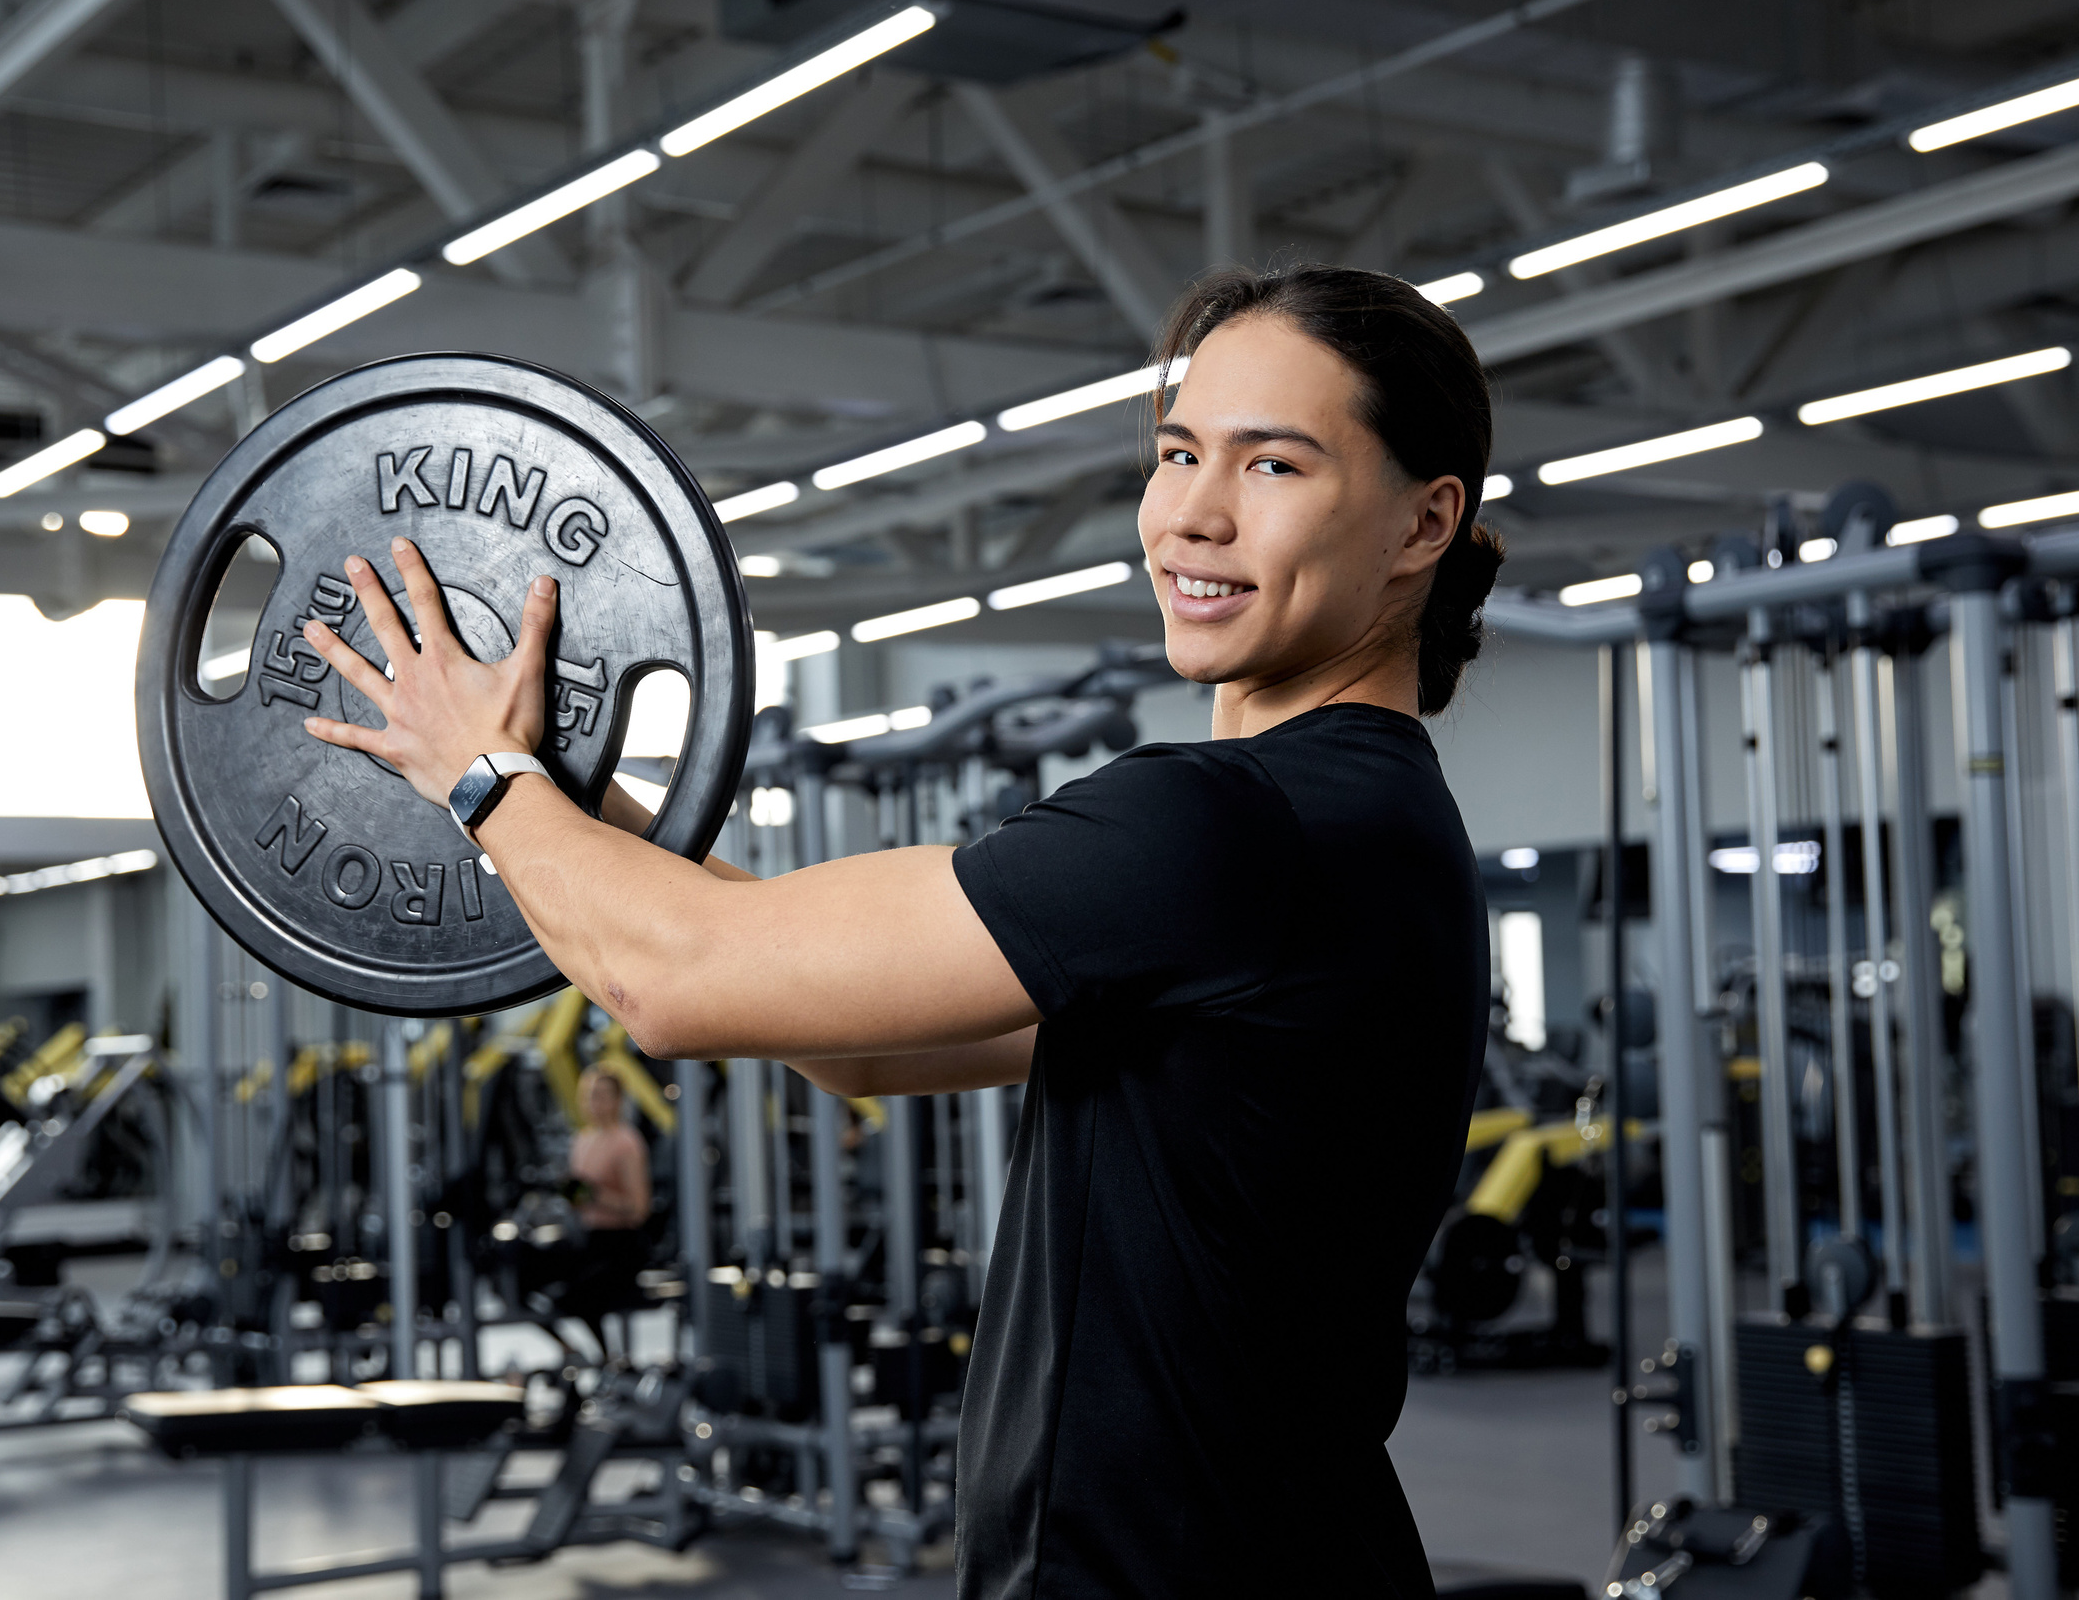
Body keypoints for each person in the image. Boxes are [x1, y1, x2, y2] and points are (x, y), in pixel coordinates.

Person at [297, 263, 1502, 1598]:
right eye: (1176, 453)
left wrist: (481, 774)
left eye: (1274, 465)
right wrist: (554, 787)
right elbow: (852, 1039)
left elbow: (676, 978)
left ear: (1421, 521)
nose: (1192, 516)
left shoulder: (1229, 827)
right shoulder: (1372, 826)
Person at [568, 1067, 650, 1233]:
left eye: (600, 1096)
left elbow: (639, 1208)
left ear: (617, 1100)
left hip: (618, 1238)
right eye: (588, 1095)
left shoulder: (626, 1142)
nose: (593, 1103)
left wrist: (597, 1197)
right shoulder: (582, 1138)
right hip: (586, 1233)